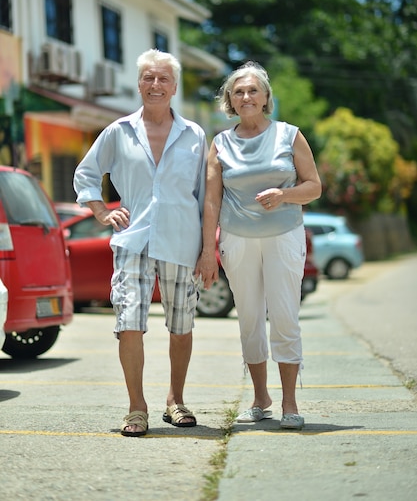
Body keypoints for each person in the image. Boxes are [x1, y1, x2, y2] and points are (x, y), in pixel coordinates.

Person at [73, 48, 207, 437]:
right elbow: (86, 174)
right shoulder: (119, 131)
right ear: (138, 84)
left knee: (181, 326)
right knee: (129, 322)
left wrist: (206, 251)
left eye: (163, 78)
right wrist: (101, 212)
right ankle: (137, 407)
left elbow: (204, 198)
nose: (155, 84)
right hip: (133, 241)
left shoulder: (194, 134)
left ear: (175, 86)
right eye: (148, 77)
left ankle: (175, 399)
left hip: (182, 241)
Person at [195, 61, 321, 430]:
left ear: (266, 97)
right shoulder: (220, 143)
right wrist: (208, 252)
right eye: (238, 92)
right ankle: (260, 398)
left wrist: (284, 195)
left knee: (284, 316)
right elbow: (211, 202)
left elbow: (314, 186)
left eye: (253, 90)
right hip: (237, 240)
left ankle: (290, 403)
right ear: (230, 101)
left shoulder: (289, 135)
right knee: (249, 318)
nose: (246, 96)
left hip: (284, 237)